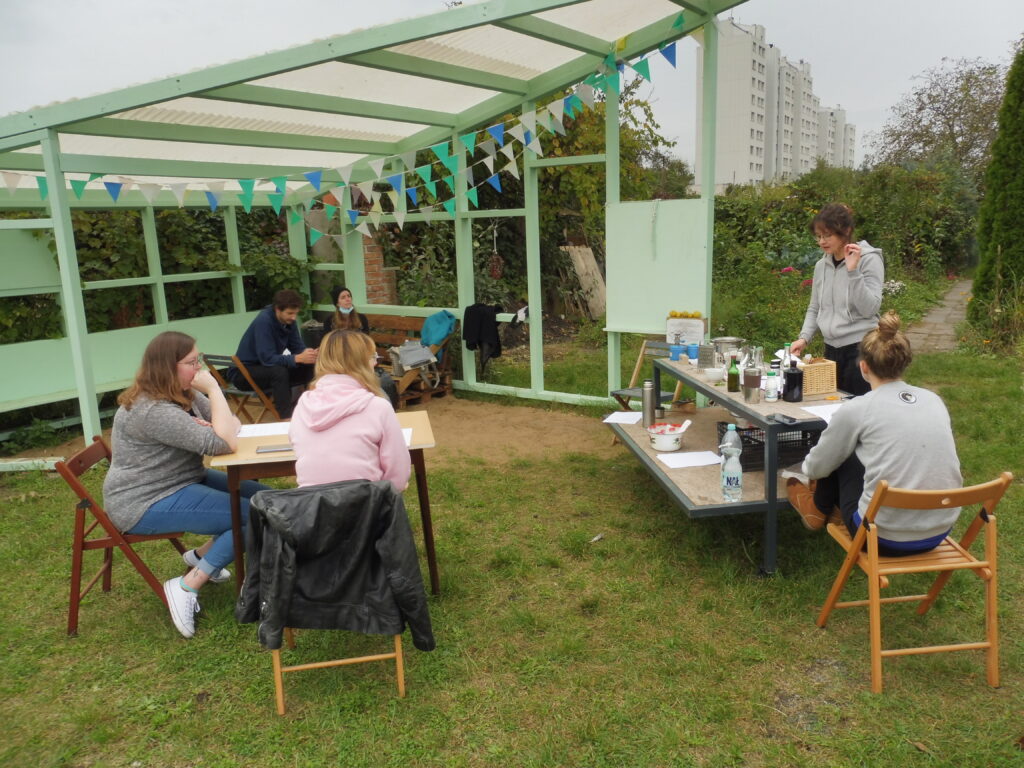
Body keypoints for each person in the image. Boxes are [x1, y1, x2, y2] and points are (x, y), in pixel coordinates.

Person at [102, 331, 268, 638]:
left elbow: (232, 425)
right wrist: (215, 389)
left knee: (268, 501)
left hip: (182, 480)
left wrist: (217, 423)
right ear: (168, 366)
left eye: (199, 360)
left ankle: (202, 555)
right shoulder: (154, 409)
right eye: (192, 362)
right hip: (145, 500)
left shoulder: (183, 394)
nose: (200, 369)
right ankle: (186, 585)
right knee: (253, 515)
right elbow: (225, 442)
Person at [787, 312, 962, 555]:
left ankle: (817, 508)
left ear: (864, 366)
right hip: (937, 530)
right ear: (905, 363)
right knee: (871, 448)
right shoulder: (934, 401)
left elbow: (816, 469)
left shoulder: (857, 408)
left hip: (880, 535)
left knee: (844, 450)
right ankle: (824, 509)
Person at [289, 329, 411, 492]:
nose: (375, 363)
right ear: (360, 363)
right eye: (373, 357)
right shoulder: (377, 406)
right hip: (366, 507)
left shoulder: (303, 405)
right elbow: (398, 471)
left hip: (312, 509)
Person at [790, 203, 883, 396]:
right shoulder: (821, 266)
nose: (822, 241)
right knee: (830, 406)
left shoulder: (869, 259)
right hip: (831, 350)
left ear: (846, 231)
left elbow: (870, 308)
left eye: (828, 235)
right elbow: (815, 307)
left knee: (858, 411)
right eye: (818, 236)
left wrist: (853, 271)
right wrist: (804, 337)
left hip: (861, 349)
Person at [229, 289, 317, 418]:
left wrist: (309, 354)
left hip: (267, 368)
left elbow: (297, 347)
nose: (294, 317)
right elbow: (267, 358)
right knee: (279, 372)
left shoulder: (289, 321)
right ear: (277, 309)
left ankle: (312, 410)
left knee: (311, 365)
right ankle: (285, 418)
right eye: (290, 313)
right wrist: (297, 358)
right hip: (243, 373)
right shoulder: (263, 321)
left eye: (296, 313)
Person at [323, 284, 400, 409]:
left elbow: (367, 341)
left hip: (362, 358)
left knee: (385, 380)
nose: (348, 299)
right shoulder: (330, 321)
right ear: (337, 303)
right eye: (343, 297)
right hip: (340, 361)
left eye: (349, 296)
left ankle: (387, 408)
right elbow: (329, 346)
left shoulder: (361, 318)